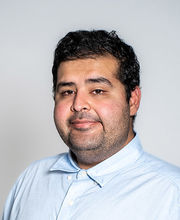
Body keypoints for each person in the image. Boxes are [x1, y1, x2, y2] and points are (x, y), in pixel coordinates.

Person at [2, 30, 180, 220]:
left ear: (133, 101)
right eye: (68, 91)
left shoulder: (172, 195)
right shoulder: (31, 178)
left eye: (97, 90)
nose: (78, 104)